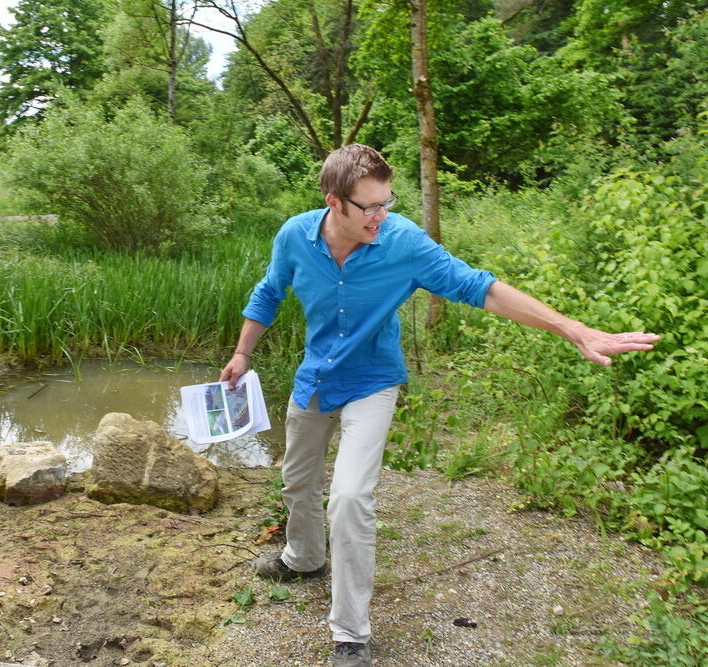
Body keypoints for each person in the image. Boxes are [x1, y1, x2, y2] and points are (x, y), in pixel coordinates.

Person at [218, 144, 659, 667]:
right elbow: (269, 292)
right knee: (297, 481)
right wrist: (243, 353)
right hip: (315, 378)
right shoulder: (296, 235)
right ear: (334, 202)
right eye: (370, 207)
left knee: (352, 498)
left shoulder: (402, 241)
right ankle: (304, 557)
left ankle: (350, 634)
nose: (382, 215)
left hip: (372, 382)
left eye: (387, 201)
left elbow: (482, 288)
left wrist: (574, 329)